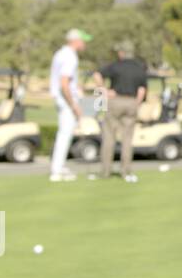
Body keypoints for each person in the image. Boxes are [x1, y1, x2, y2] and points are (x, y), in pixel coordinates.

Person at [89, 41, 147, 183]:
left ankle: (105, 171)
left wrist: (104, 90)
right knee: (127, 139)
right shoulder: (139, 67)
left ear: (122, 53)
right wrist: (136, 104)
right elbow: (142, 90)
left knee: (109, 137)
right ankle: (126, 171)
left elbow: (96, 75)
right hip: (132, 102)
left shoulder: (116, 65)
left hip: (115, 101)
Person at [47, 28, 91, 182]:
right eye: (83, 40)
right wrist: (74, 105)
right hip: (66, 101)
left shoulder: (60, 53)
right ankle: (57, 170)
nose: (84, 43)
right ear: (76, 41)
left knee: (65, 133)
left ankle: (59, 166)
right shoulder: (70, 57)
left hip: (62, 99)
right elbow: (64, 83)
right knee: (65, 134)